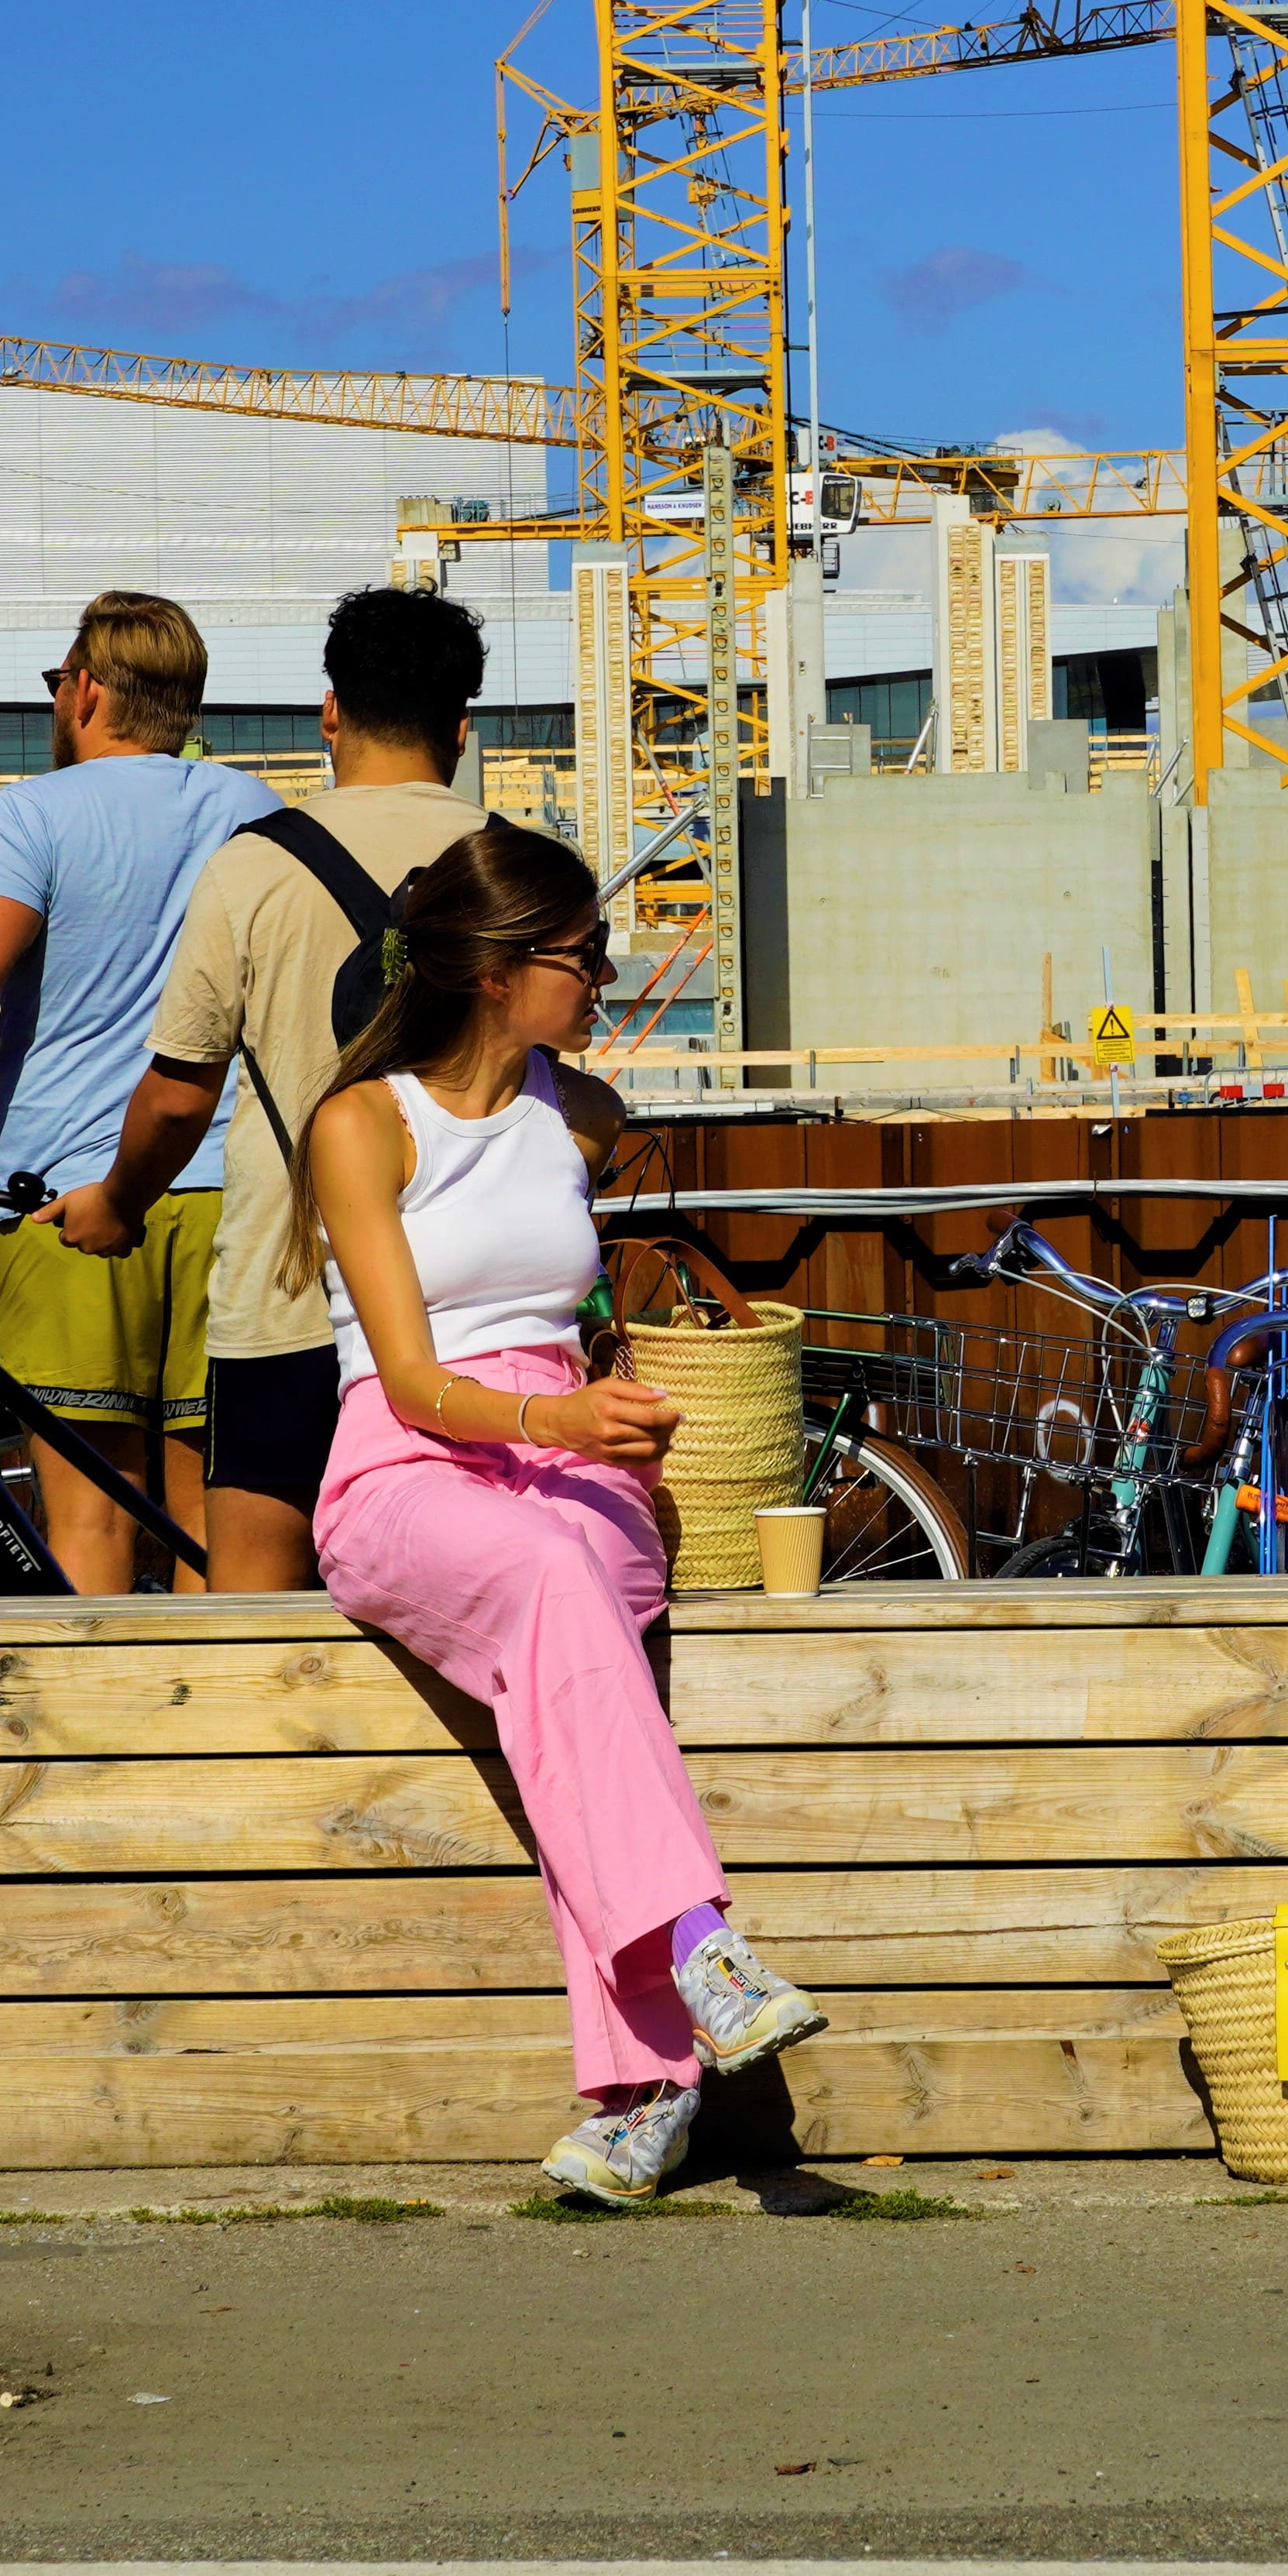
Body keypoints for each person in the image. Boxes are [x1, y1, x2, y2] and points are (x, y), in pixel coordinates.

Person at [289, 822, 826, 2199]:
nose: (604, 978)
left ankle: (642, 2096)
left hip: (568, 1456)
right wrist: (557, 1419)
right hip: (410, 1464)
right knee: (548, 1581)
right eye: (583, 958)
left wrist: (617, 1395)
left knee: (573, 1608)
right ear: (497, 970)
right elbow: (408, 1379)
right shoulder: (363, 1125)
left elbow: (584, 1310)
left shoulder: (581, 1114)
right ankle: (697, 1953)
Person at [0, 596, 275, 1592]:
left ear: (88, 690)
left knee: (92, 1517)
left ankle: (105, 1744)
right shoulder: (256, 814)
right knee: (216, 1522)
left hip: (69, 1201)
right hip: (234, 1192)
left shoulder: (33, 814)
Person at [59, 585, 493, 1594]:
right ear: (463, 729)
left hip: (288, 1298)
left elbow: (177, 1095)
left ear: (330, 714)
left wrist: (119, 1204)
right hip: (467, 1316)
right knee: (468, 1601)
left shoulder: (254, 867)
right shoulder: (520, 871)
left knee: (254, 1617)